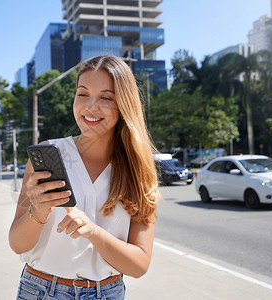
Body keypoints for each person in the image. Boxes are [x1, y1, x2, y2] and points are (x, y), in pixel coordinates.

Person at [8, 55, 160, 299]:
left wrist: (94, 232)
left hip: (107, 292)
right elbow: (17, 244)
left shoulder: (137, 169)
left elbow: (140, 265)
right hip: (40, 290)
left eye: (106, 97)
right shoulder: (48, 155)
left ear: (124, 105)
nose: (90, 107)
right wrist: (38, 211)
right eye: (82, 94)